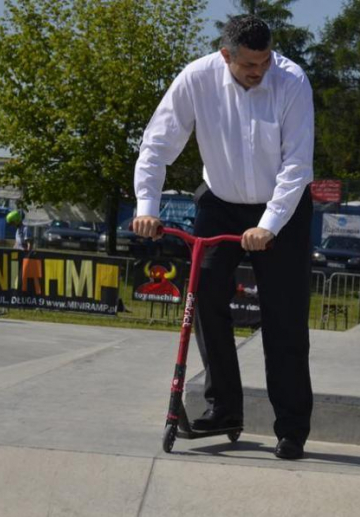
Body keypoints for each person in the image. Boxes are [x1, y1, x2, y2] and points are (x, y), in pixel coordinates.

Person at [133, 15, 314, 460]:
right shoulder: (197, 79)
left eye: (265, 60)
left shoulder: (291, 81)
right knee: (203, 295)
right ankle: (224, 408)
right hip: (220, 201)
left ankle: (291, 427)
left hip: (283, 206)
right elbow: (157, 145)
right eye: (250, 63)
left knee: (284, 316)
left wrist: (268, 226)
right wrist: (146, 210)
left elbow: (296, 167)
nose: (259, 70)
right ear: (225, 55)